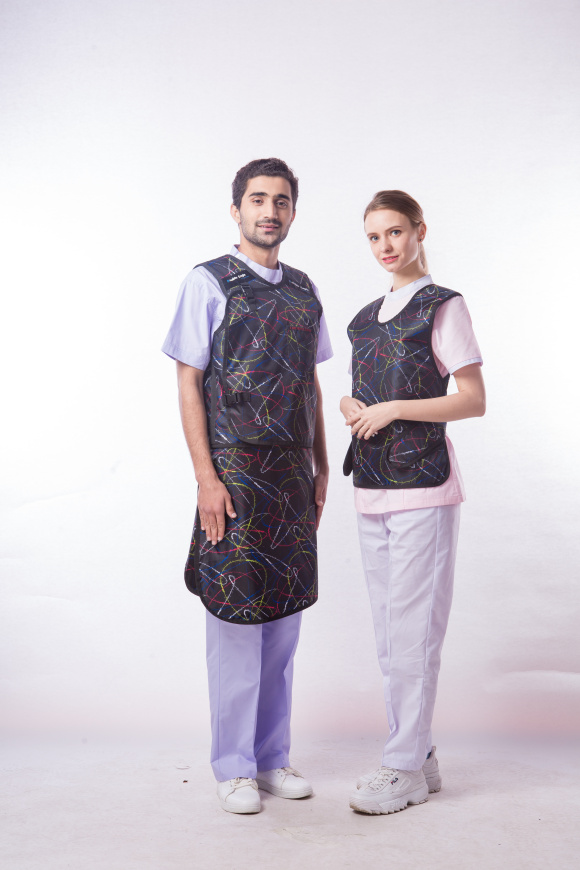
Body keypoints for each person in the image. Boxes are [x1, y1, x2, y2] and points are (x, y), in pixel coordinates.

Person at [162, 158, 332, 814]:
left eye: (281, 200)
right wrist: (205, 477)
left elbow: (309, 382)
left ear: (293, 212)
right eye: (258, 199)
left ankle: (271, 758)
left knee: (283, 622)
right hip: (233, 474)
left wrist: (322, 467)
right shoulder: (208, 281)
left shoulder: (304, 290)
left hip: (291, 475)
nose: (270, 210)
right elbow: (188, 379)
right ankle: (232, 766)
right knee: (234, 619)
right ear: (236, 210)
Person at [340, 190, 485, 816]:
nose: (386, 246)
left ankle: (400, 768)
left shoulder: (442, 306)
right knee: (388, 634)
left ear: (419, 230)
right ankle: (419, 754)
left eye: (395, 232)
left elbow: (473, 399)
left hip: (424, 485)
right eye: (374, 237)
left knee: (414, 631)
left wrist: (396, 408)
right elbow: (365, 393)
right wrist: (350, 406)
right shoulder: (363, 319)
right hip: (371, 484)